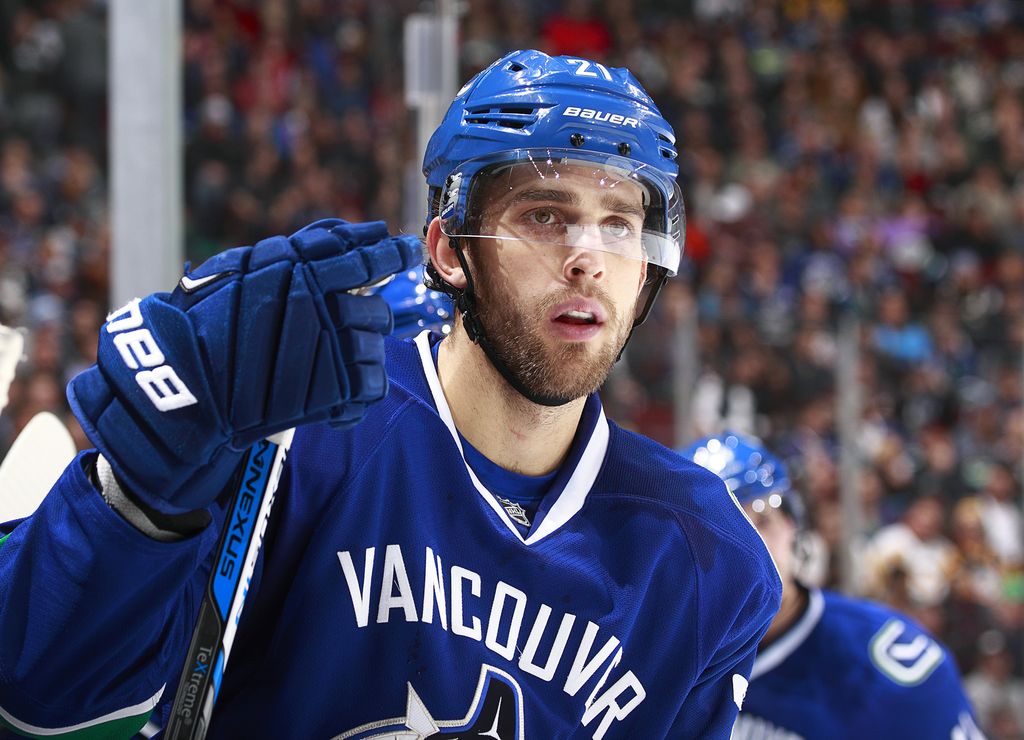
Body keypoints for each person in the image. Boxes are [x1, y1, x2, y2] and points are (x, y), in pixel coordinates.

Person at [0, 50, 780, 739]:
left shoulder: (711, 562)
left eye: (618, 224)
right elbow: (44, 707)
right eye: (545, 216)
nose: (588, 258)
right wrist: (135, 508)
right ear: (448, 250)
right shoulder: (295, 429)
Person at [681, 432, 985, 740]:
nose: (748, 549)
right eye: (715, 534)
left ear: (794, 525)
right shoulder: (656, 660)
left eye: (762, 520)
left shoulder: (889, 671)